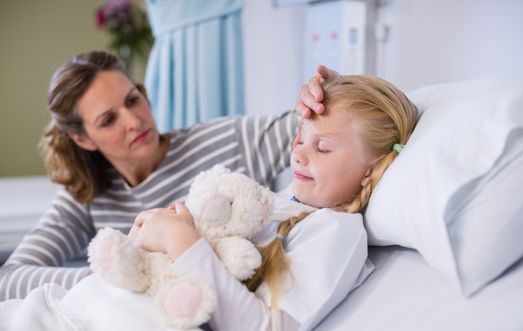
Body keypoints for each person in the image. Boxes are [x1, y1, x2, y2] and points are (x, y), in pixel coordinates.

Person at [0, 51, 323, 301]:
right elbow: (10, 278)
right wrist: (118, 275)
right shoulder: (87, 197)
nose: (134, 120)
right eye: (109, 119)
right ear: (83, 139)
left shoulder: (229, 141)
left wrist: (328, 95)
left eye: (132, 100)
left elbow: (315, 125)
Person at [128, 74, 419, 331]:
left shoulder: (336, 231)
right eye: (301, 139)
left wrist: (181, 241)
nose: (298, 154)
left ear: (371, 170)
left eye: (323, 148)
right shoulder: (280, 201)